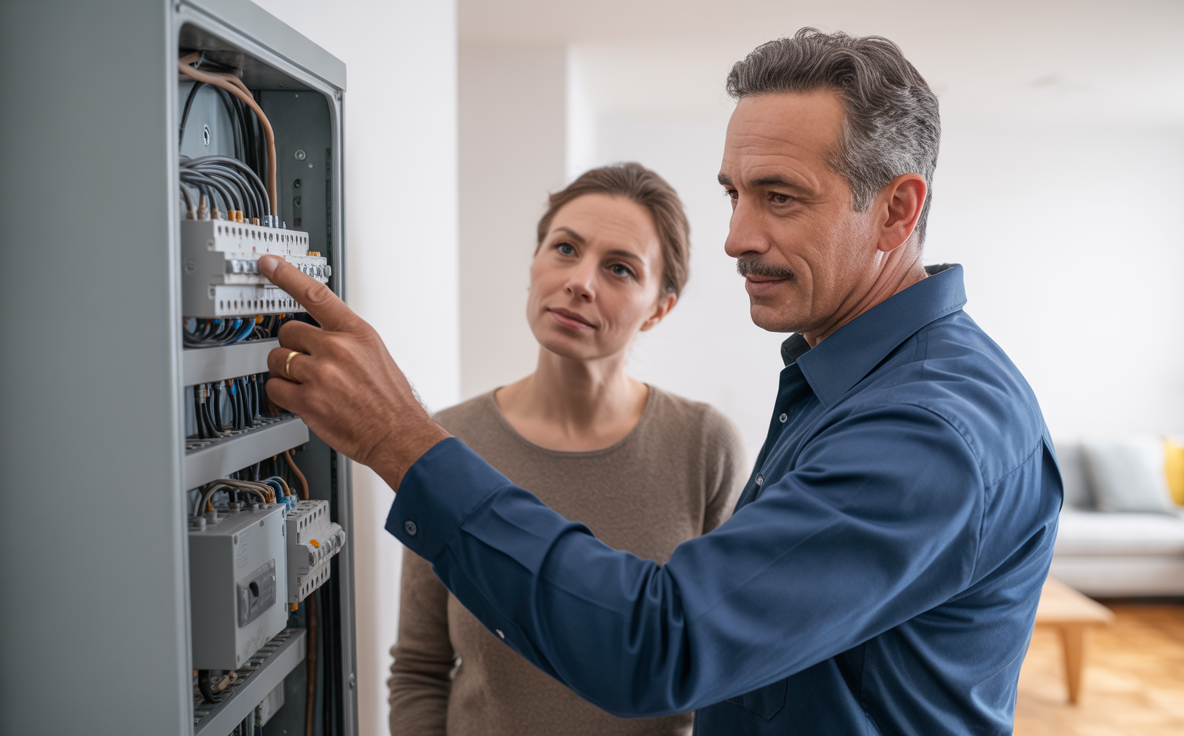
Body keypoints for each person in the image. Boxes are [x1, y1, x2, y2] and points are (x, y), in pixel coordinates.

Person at [258, 30, 1063, 735]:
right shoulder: (850, 384)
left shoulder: (927, 429)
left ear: (896, 211)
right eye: (734, 195)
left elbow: (665, 645)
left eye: (780, 198)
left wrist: (401, 441)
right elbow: (426, 669)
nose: (738, 237)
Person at [387, 163, 746, 736]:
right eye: (565, 248)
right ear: (534, 263)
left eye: (620, 268)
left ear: (659, 308)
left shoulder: (705, 445)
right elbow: (420, 669)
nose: (580, 281)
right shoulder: (450, 442)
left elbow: (725, 669)